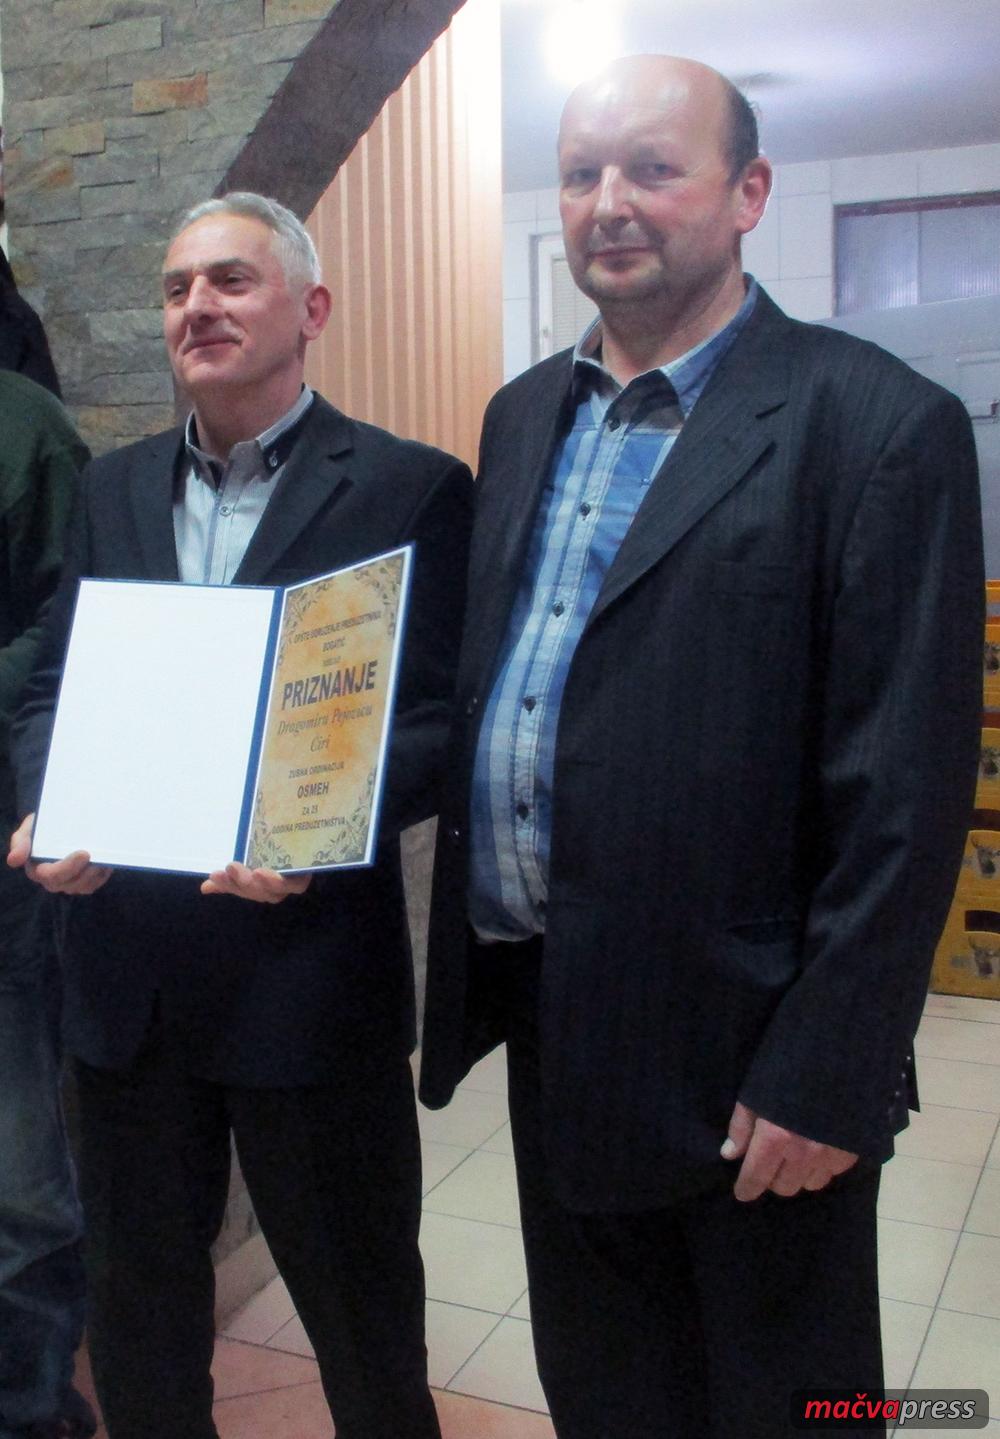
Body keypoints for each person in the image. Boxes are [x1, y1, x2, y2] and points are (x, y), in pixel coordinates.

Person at [419, 55, 984, 1438]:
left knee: (791, 1405)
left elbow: (903, 796)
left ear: (748, 193)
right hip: (555, 1015)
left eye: (653, 169)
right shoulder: (522, 414)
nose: (609, 202)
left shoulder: (874, 424)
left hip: (753, 1051)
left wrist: (831, 1068)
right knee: (606, 1386)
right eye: (580, 173)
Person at [8, 192, 472, 1439]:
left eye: (229, 280)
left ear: (309, 308)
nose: (196, 307)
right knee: (141, 1331)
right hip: (127, 988)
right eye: (176, 289)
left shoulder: (409, 488)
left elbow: (439, 720)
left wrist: (319, 828)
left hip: (305, 984)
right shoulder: (110, 490)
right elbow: (57, 686)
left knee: (365, 1328)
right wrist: (53, 796)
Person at [0, 372, 92, 1439]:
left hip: (2, 856)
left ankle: (28, 1407)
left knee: (19, 1179)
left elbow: (69, 629)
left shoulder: (26, 429)